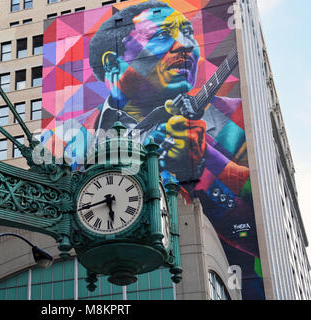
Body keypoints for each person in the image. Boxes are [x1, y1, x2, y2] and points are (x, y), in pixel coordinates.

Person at [83, 0, 263, 298]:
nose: (186, 46)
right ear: (114, 65)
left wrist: (208, 162)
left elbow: (256, 226)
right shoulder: (73, 140)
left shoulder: (234, 116)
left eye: (188, 33)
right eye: (162, 35)